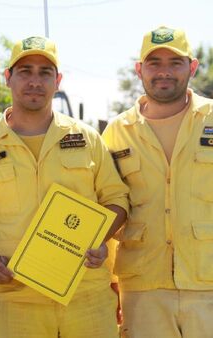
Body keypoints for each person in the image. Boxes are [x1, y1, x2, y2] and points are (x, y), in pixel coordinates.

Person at [0, 36, 129, 338]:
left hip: (86, 296)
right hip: (17, 299)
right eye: (25, 71)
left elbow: (116, 199)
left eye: (45, 72)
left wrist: (98, 239)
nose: (35, 81)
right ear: (8, 78)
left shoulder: (87, 138)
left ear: (58, 80)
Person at [102, 26, 213, 337]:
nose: (164, 72)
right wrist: (109, 283)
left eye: (175, 63)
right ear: (139, 70)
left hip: (208, 287)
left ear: (192, 67)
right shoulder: (116, 131)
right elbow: (106, 206)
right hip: (141, 289)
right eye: (154, 63)